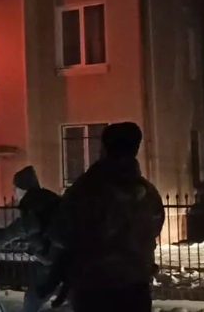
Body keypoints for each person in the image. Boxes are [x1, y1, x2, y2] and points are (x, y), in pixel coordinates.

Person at [46, 122, 165, 312]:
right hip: (135, 286)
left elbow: (60, 233)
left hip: (94, 287)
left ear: (104, 148)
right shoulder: (148, 193)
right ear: (136, 149)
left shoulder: (87, 189)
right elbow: (153, 230)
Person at [0, 166, 66, 312]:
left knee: (35, 296)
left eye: (15, 189)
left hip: (51, 256)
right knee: (44, 293)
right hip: (57, 254)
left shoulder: (33, 202)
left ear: (20, 188)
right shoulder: (44, 198)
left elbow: (27, 226)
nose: (14, 193)